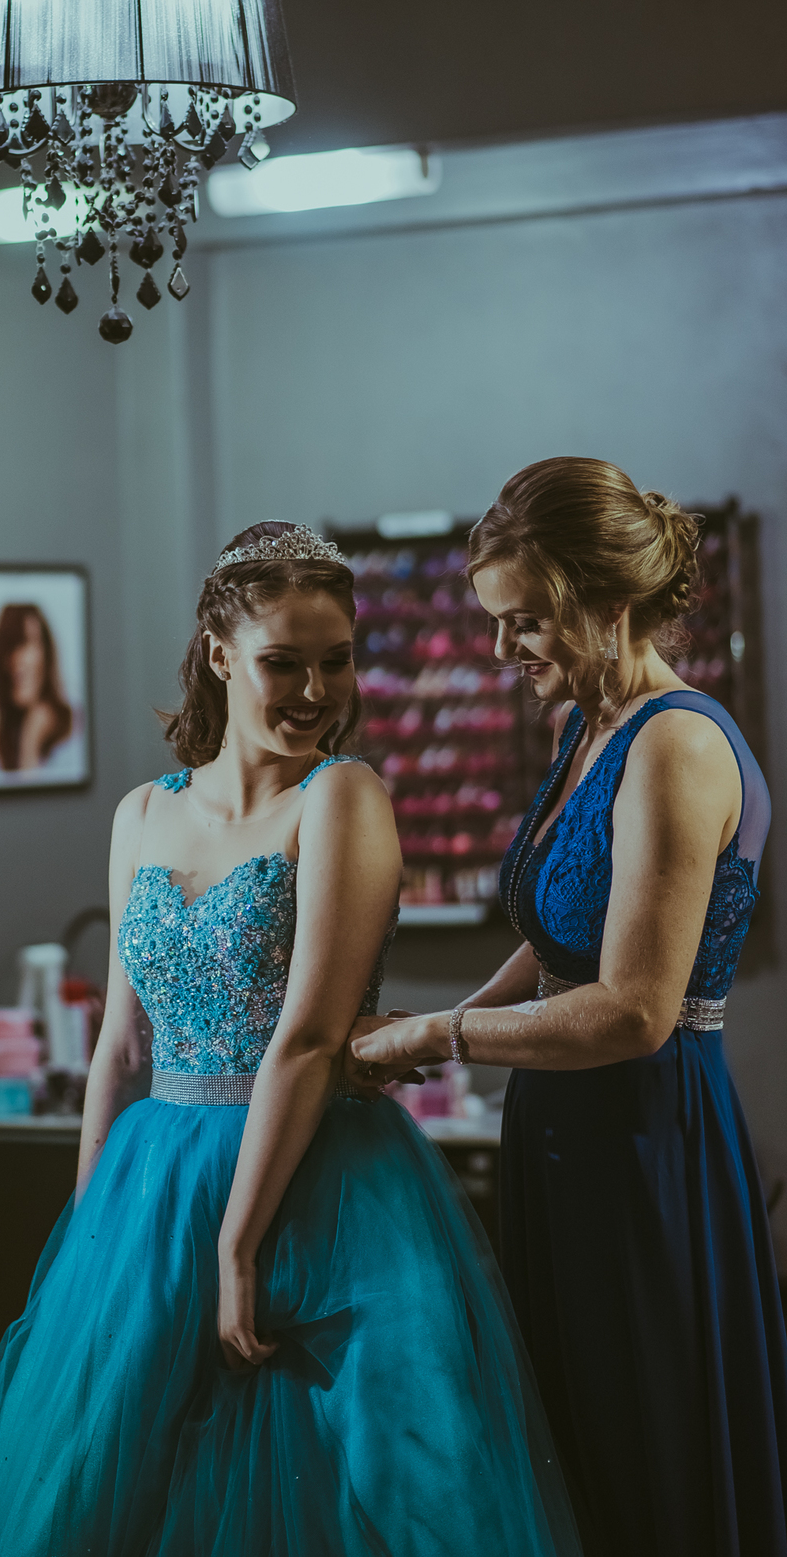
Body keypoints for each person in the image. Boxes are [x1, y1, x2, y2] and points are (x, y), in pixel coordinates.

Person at [0, 521, 582, 1557]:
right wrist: (90, 1239)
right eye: (285, 661)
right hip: (155, 1184)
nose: (316, 691)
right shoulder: (142, 814)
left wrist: (237, 1246)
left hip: (318, 1183)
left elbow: (310, 1037)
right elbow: (121, 1048)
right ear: (219, 653)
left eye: (337, 661)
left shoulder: (343, 797)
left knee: (352, 1484)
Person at [347, 458, 787, 1557]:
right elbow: (558, 938)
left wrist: (437, 1035)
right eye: (495, 621)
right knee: (568, 1445)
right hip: (561, 1124)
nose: (503, 649)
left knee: (641, 1446)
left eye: (527, 619)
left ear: (609, 599)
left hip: (643, 1135)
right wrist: (434, 1020)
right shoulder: (584, 729)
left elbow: (634, 1011)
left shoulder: (676, 745)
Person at [0, 602, 74, 772]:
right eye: (10, 647)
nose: (17, 660)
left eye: (26, 643)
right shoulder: (0, 739)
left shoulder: (74, 735)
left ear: (46, 654)